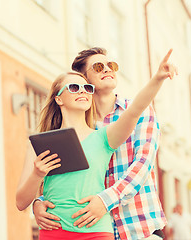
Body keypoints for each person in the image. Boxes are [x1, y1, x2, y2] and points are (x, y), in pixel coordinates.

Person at [17, 49, 176, 239]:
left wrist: (157, 78)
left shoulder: (104, 134)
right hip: (58, 231)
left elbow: (142, 163)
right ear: (59, 98)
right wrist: (38, 200)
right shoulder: (47, 141)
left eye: (112, 65)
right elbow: (59, 187)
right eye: (75, 87)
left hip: (133, 227)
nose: (108, 70)